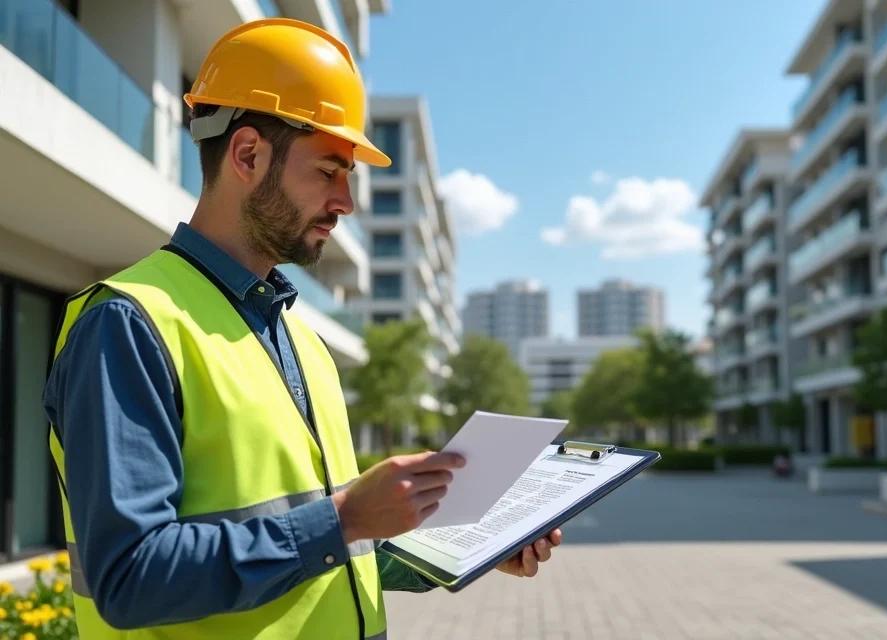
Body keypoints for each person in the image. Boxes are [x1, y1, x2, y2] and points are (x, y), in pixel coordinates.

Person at [42, 18, 559, 640]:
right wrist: (343, 518)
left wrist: (463, 547)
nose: (346, 202)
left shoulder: (304, 345)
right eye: (328, 171)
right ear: (249, 155)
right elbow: (130, 578)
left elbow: (317, 549)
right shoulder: (128, 324)